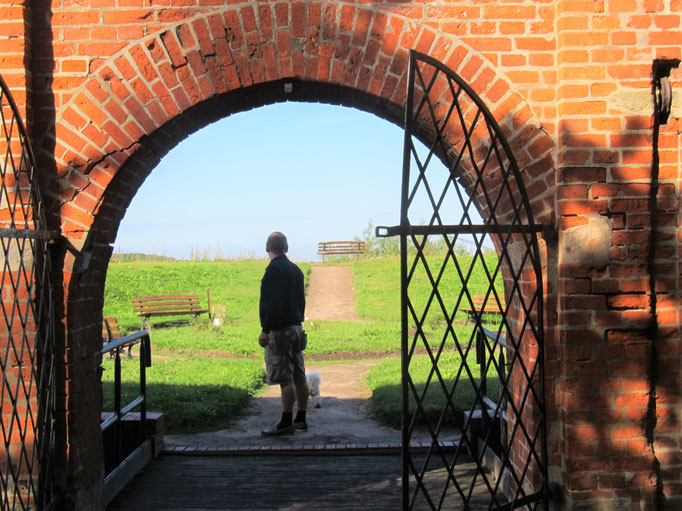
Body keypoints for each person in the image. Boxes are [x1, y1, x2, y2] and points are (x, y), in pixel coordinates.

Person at [258, 232, 309, 436]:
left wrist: (265, 329)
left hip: (280, 330)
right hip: (297, 328)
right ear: (286, 248)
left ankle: (286, 423)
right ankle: (301, 419)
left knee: (284, 377)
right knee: (299, 374)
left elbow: (271, 303)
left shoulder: (272, 271)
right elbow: (301, 301)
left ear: (267, 247)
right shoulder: (296, 270)